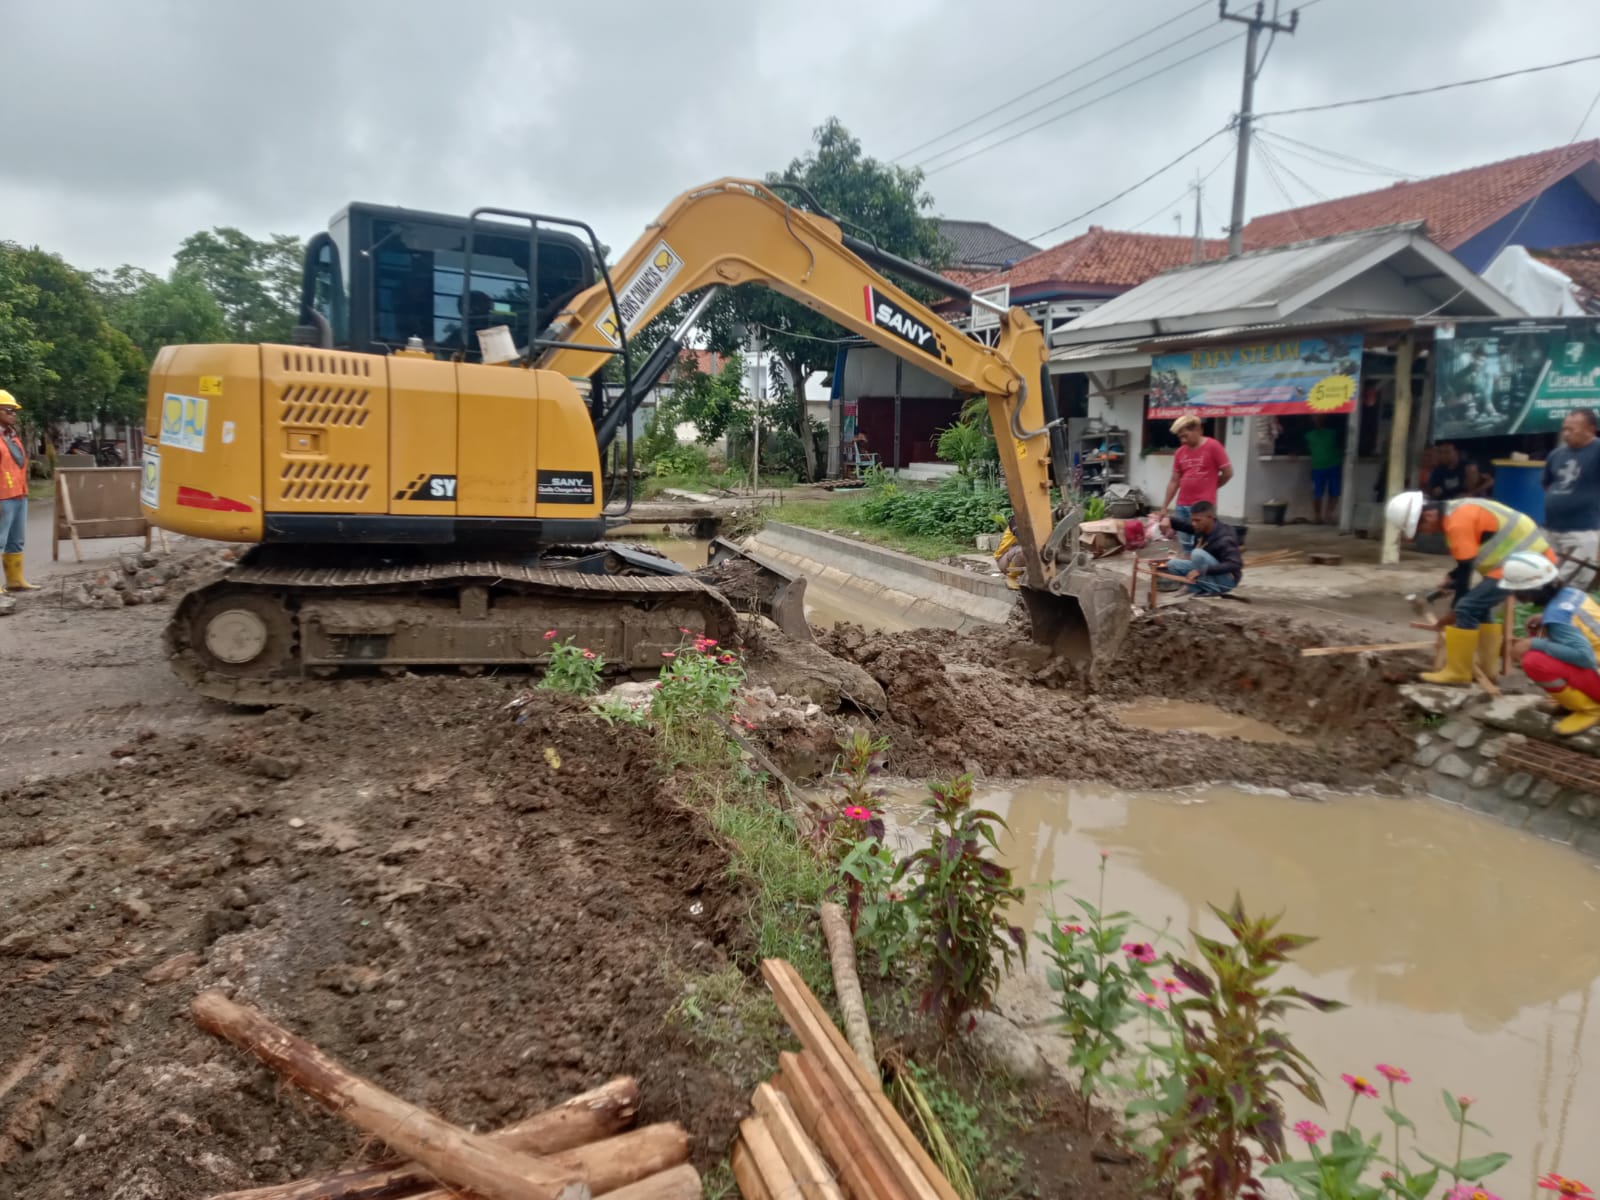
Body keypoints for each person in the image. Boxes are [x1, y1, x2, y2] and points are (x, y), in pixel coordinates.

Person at [1385, 490, 1556, 685]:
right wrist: (1453, 576)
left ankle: (1458, 673)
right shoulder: (1458, 511)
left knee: (1466, 607)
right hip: (1524, 560)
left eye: (1420, 529)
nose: (1425, 533)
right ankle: (1487, 670)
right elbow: (1467, 562)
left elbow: (1466, 575)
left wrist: (1453, 613)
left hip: (1524, 564)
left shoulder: (1457, 522)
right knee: (1478, 608)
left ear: (1428, 515)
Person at [1500, 551, 1600, 735]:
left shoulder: (1557, 617)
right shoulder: (1573, 594)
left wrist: (1533, 643)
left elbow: (1585, 658)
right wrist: (1545, 618)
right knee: (1545, 646)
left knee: (1534, 662)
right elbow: (1578, 623)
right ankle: (1574, 700)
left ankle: (1590, 709)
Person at [1542, 407, 1600, 588]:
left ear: (1591, 429)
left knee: (1574, 584)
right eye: (1564, 429)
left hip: (1582, 531)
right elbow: (1547, 484)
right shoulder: (1556, 454)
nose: (1566, 434)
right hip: (1552, 530)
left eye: (1572, 429)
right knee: (1546, 582)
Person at [1160, 415, 1232, 553]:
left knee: (1203, 544)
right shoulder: (1180, 452)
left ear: (1198, 430)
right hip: (1182, 505)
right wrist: (1164, 507)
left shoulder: (1213, 446)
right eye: (1180, 437)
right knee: (1185, 545)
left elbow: (1227, 473)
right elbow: (1174, 481)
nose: (1183, 440)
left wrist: (1212, 486)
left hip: (1203, 507)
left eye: (1185, 436)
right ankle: (1188, 565)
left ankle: (1201, 566)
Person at [1161, 501, 1242, 596]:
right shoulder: (1201, 527)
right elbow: (1183, 524)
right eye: (1192, 520)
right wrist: (1167, 519)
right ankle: (1198, 588)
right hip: (1208, 573)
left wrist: (1202, 571)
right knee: (1172, 564)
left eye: (1197, 520)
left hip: (1227, 580)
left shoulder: (1225, 537)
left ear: (1210, 517)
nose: (1194, 524)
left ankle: (1213, 591)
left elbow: (1235, 564)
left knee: (1197, 554)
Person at [0, 391, 37, 594]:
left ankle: (15, 580)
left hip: (18, 493)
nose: (13, 414)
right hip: (2, 495)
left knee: (16, 539)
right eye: (8, 410)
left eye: (14, 411)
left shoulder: (11, 436)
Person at [1304, 415, 1342, 525]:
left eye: (1319, 417)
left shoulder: (1334, 432)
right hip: (1317, 467)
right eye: (1315, 417)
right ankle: (1318, 516)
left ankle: (1328, 515)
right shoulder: (1308, 434)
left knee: (1334, 492)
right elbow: (1302, 447)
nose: (1317, 419)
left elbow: (1341, 445)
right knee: (1317, 493)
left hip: (1334, 465)